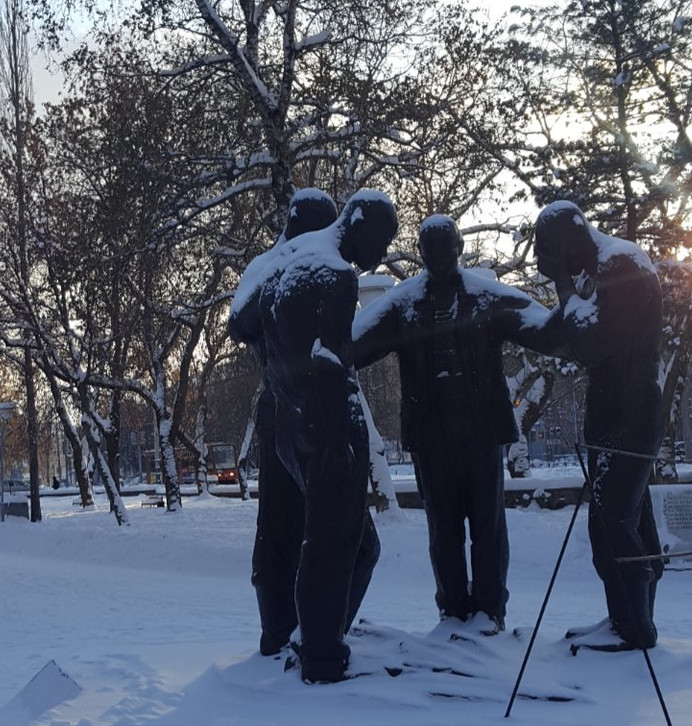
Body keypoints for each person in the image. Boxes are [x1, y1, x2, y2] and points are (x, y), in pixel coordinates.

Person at [354, 215, 561, 635]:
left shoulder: (487, 297)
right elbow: (352, 346)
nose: (439, 260)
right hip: (432, 441)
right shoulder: (402, 304)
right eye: (430, 253)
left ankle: (489, 612)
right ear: (421, 255)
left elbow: (545, 332)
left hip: (482, 435)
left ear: (459, 250)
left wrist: (568, 288)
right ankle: (451, 613)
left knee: (488, 528)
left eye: (446, 251)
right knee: (443, 532)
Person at [251, 189, 397, 683]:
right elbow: (330, 361)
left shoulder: (279, 275)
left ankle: (314, 638)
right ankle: (321, 654)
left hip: (292, 424)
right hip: (330, 425)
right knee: (337, 545)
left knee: (340, 544)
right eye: (380, 241)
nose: (380, 254)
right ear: (356, 223)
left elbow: (273, 352)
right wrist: (339, 442)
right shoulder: (334, 274)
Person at [229, 188, 363, 659]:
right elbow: (238, 324)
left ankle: (307, 631)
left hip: (286, 408)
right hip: (297, 408)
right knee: (304, 530)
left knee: (291, 528)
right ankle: (307, 634)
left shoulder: (279, 268)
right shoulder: (281, 267)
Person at [534, 201, 664, 650]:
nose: (549, 262)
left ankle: (634, 628)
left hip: (630, 414)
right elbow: (567, 334)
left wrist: (562, 283)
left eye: (551, 252)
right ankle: (625, 617)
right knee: (626, 519)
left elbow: (591, 343)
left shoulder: (620, 264)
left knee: (611, 523)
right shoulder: (600, 271)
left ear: (571, 238)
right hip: (615, 413)